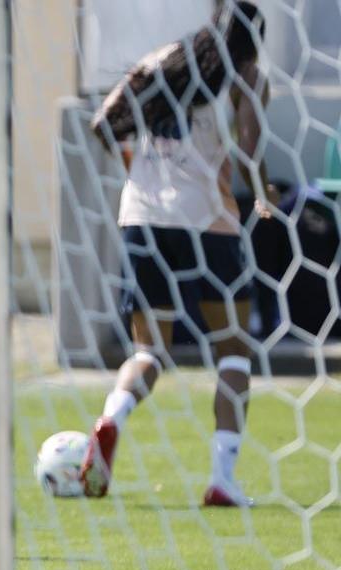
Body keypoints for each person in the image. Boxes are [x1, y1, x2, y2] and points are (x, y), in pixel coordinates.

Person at [85, 1, 271, 506]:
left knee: (148, 352)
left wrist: (139, 171)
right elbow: (250, 151)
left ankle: (110, 420)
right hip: (208, 223)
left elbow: (103, 121)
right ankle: (222, 478)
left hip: (142, 218)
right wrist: (263, 194)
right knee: (233, 351)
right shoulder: (245, 73)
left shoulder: (162, 60)